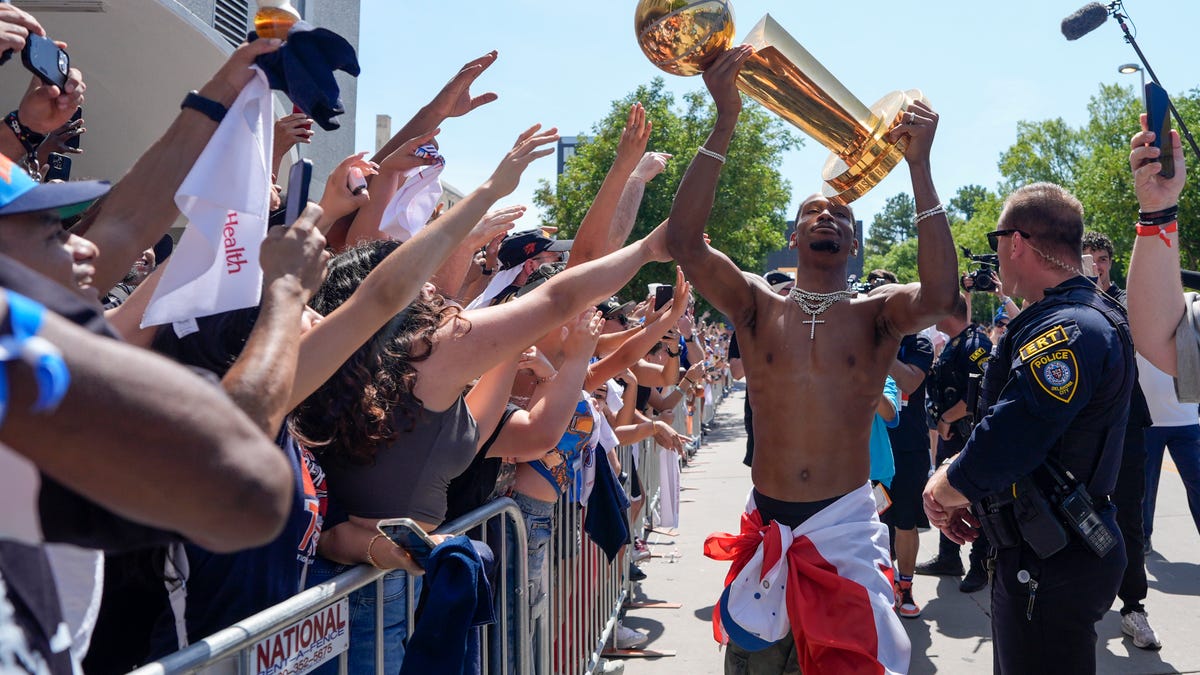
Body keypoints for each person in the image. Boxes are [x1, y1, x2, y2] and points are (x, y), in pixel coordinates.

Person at [670, 46, 957, 673]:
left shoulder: (875, 315)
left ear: (851, 242)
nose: (827, 215)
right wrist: (724, 121)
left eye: (841, 215)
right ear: (795, 236)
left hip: (844, 534)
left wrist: (920, 166)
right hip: (765, 526)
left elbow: (940, 296)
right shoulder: (755, 306)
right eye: (813, 212)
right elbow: (685, 244)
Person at [924, 182, 1135, 673]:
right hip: (1039, 549)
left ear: (1016, 242)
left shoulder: (1069, 329)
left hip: (1050, 560)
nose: (996, 254)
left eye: (998, 239)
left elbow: (1012, 436)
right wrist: (975, 496)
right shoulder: (1079, 317)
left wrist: (944, 488)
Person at [1082, 229, 1159, 650]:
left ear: (1111, 262)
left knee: (1128, 514)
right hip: (1080, 422)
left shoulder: (1126, 301)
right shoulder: (1065, 299)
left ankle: (1134, 607)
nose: (1095, 267)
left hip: (1127, 419)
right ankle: (1083, 599)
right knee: (1077, 511)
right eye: (1087, 260)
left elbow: (1139, 336)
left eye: (1102, 260)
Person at [915, 292, 992, 593]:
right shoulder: (955, 342)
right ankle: (949, 557)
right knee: (943, 495)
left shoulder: (977, 344)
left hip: (966, 435)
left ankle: (980, 565)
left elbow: (981, 391)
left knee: (978, 501)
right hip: (951, 436)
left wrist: (947, 418)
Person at [878, 278, 935, 619]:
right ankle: (876, 585)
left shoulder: (920, 343)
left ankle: (905, 586)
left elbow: (910, 381)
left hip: (909, 449)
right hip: (869, 450)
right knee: (871, 520)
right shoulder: (857, 338)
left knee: (904, 521)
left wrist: (881, 347)